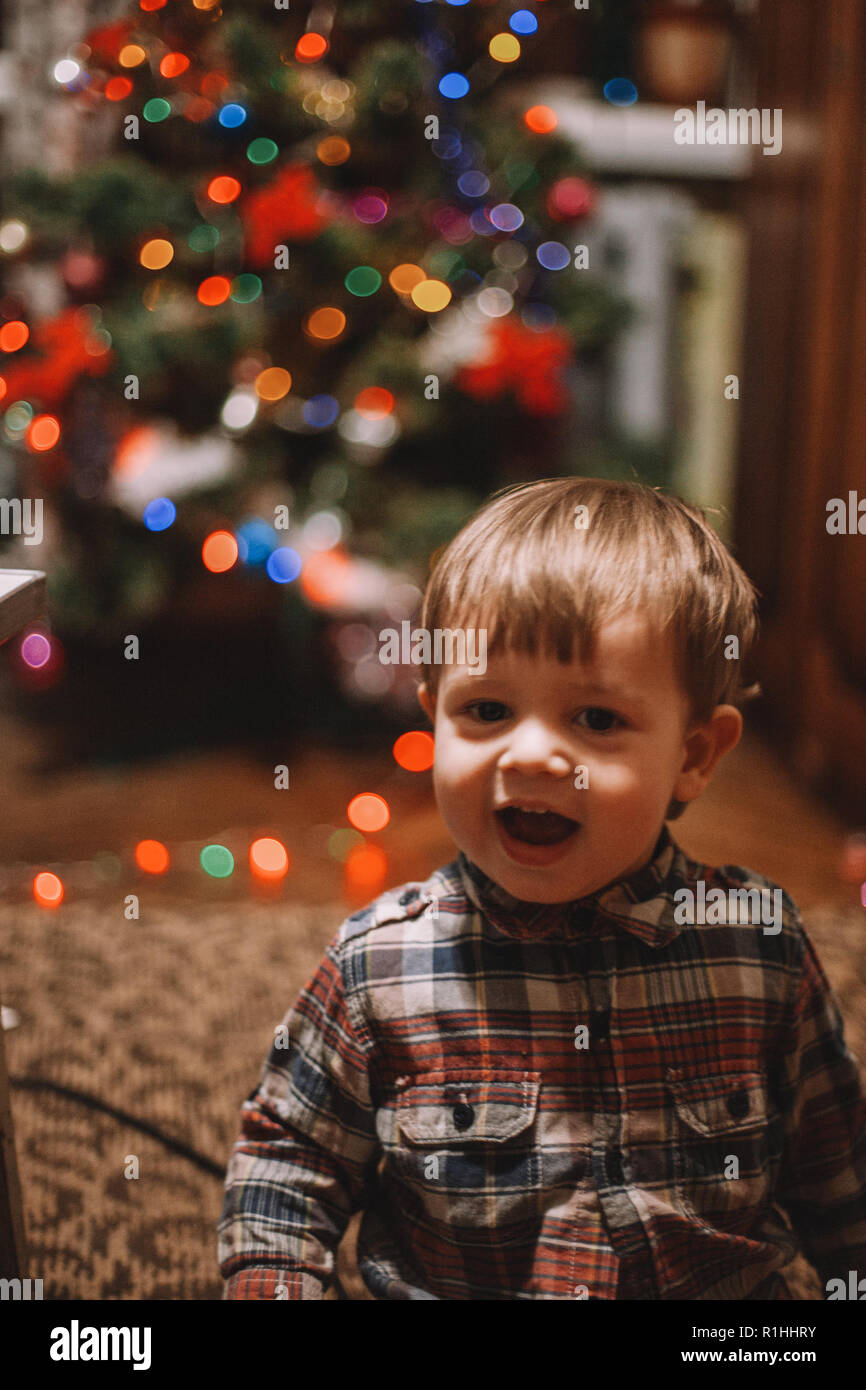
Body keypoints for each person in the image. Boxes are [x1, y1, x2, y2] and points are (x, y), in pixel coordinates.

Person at [218, 476, 866, 1300]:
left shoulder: (758, 948)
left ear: (696, 754)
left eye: (596, 719)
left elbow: (841, 1180)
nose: (528, 755)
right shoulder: (377, 967)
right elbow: (286, 1168)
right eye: (487, 710)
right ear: (434, 719)